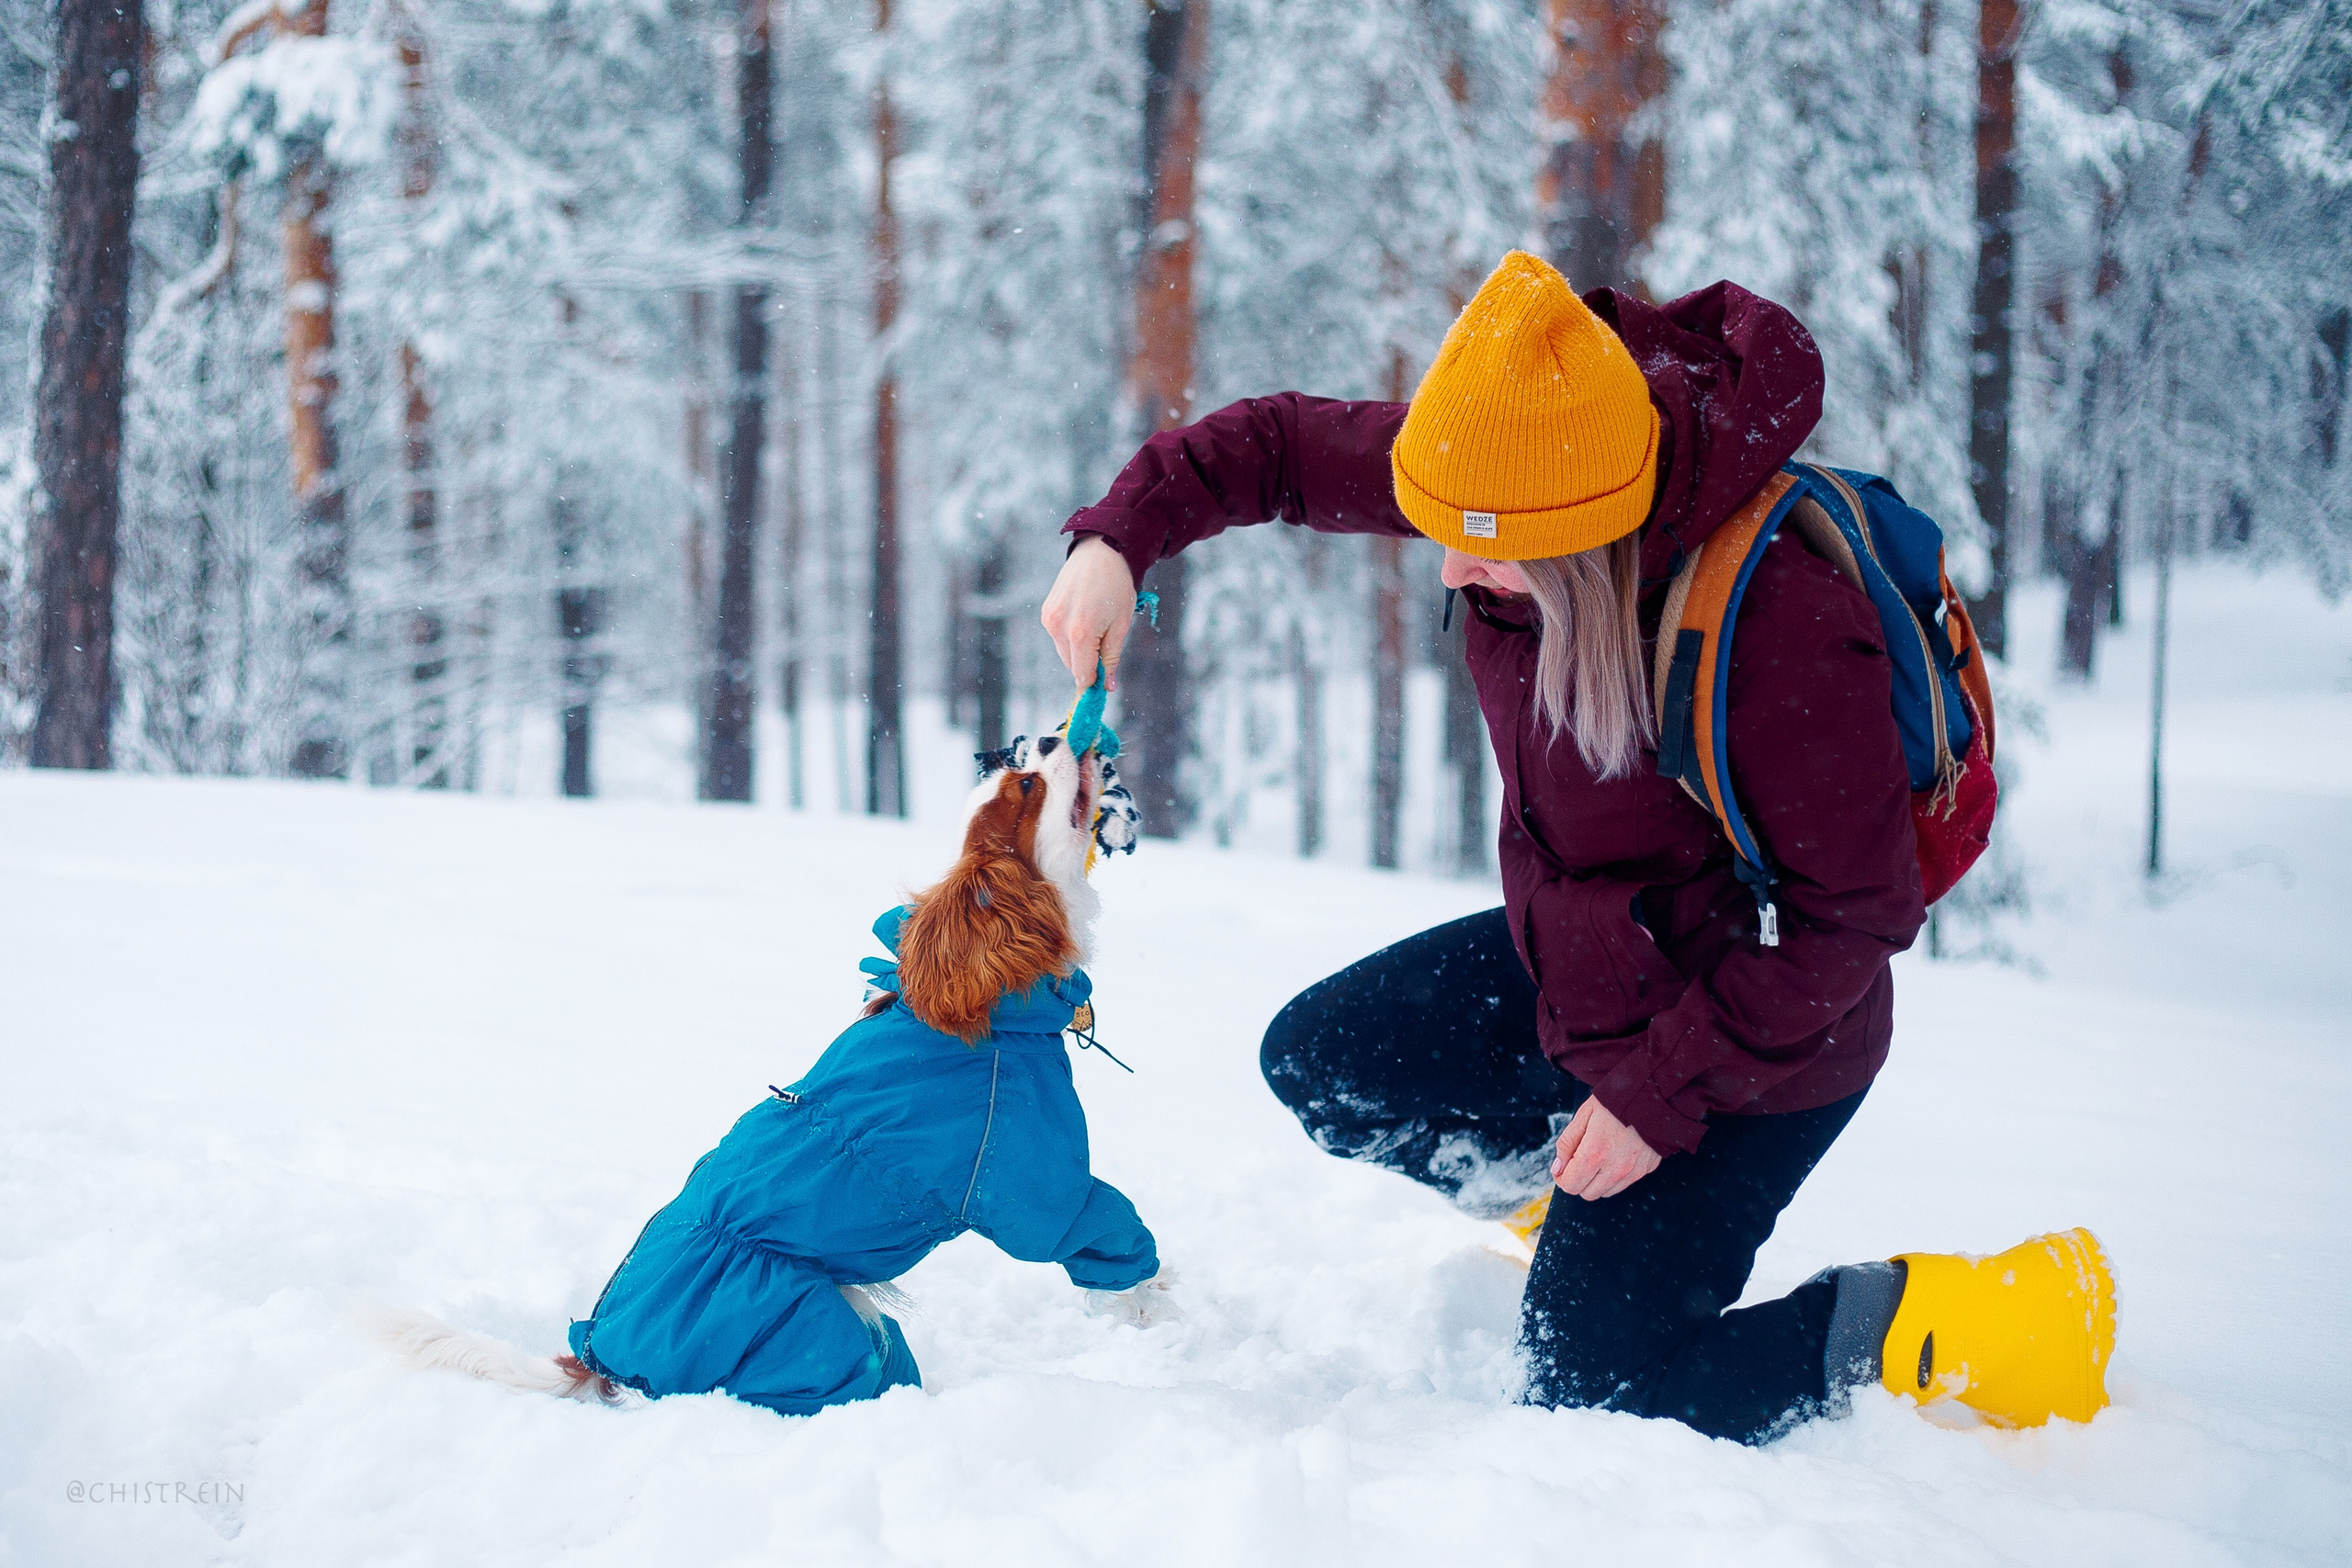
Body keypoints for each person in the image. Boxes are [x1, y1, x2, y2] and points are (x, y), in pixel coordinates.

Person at [1039, 251, 2114, 1443]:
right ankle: (1582, 1229)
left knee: (1599, 1400)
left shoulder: (1781, 627)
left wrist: (1654, 1100)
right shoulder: (1509, 462)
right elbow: (1277, 447)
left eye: (1482, 549)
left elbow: (1850, 925)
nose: (1447, 565)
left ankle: (1965, 1323)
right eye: (1440, 528)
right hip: (1592, 970)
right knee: (1326, 1064)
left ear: (1581, 535)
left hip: (1758, 1042)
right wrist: (1114, 543)